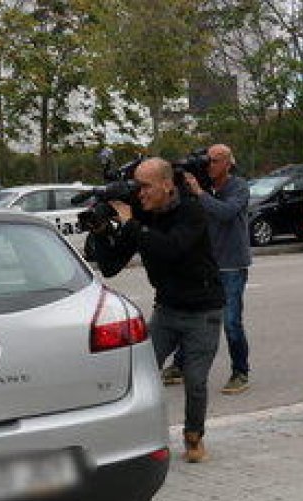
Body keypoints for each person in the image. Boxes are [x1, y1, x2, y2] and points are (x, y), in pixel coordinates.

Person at [86, 157, 224, 462]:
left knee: (195, 379)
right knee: (142, 372)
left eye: (145, 186)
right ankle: (136, 438)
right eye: (136, 186)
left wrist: (131, 223)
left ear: (166, 184)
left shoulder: (192, 210)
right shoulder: (142, 216)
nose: (140, 192)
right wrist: (100, 231)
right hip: (167, 310)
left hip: (203, 311)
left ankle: (193, 437)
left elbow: (171, 249)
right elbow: (110, 266)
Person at [172, 144, 252, 395]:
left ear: (228, 163)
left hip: (232, 264)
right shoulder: (202, 186)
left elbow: (226, 212)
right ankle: (180, 366)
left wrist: (200, 193)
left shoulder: (238, 186)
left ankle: (240, 372)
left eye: (215, 161)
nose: (210, 166)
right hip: (207, 263)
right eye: (208, 161)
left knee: (230, 322)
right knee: (193, 314)